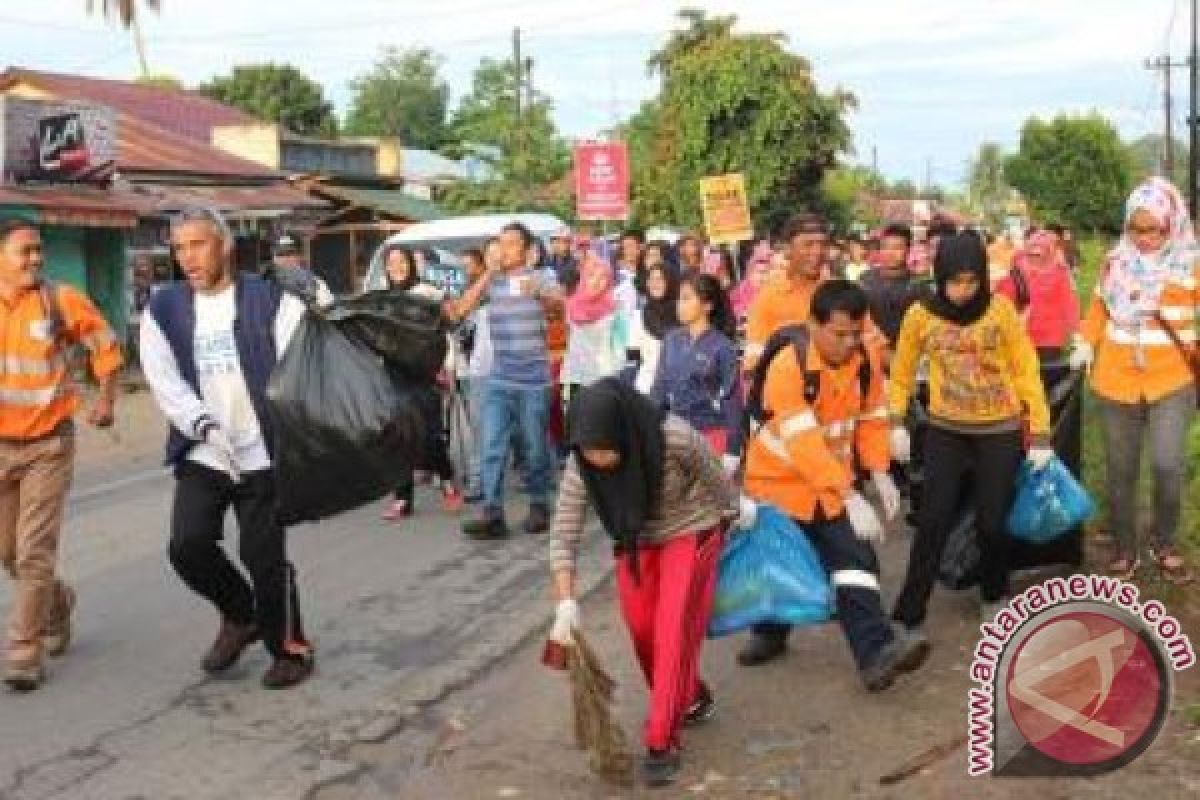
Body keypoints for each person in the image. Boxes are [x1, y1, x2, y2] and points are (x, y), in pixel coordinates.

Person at [140, 207, 313, 689]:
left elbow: (299, 367)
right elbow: (163, 378)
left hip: (262, 453)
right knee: (187, 546)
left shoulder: (271, 301)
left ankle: (291, 648)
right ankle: (241, 614)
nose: (187, 258)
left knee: (265, 559)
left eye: (197, 245)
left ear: (224, 246)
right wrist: (201, 424)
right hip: (204, 451)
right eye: (178, 248)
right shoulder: (165, 308)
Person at [547, 378, 744, 788]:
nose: (597, 460)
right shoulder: (582, 461)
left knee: (672, 632)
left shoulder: (674, 437)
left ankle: (662, 739)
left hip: (691, 530)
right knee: (641, 630)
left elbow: (716, 478)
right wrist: (565, 604)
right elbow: (563, 534)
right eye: (589, 451)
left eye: (605, 449)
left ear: (624, 431)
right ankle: (689, 695)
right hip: (635, 542)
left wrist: (735, 513)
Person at [737, 280, 929, 690]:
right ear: (813, 325)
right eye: (838, 334)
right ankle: (770, 634)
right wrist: (848, 494)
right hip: (780, 483)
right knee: (780, 565)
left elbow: (872, 417)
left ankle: (876, 655)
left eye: (855, 333)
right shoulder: (788, 366)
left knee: (855, 562)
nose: (847, 343)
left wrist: (879, 470)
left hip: (830, 482)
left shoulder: (864, 358)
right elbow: (803, 442)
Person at [888, 232, 1051, 633]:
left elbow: (1025, 369)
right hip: (946, 429)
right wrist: (894, 421)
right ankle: (911, 609)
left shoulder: (1000, 312)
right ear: (939, 275)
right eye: (954, 281)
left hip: (1000, 430)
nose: (963, 291)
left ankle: (994, 594)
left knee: (991, 523)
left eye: (971, 281)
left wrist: (1042, 431)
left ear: (982, 278)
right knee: (933, 520)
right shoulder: (921, 315)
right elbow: (903, 370)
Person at [0, 218, 123, 691]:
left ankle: (23, 649)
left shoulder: (60, 300)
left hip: (48, 446)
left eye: (38, 251)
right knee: (8, 553)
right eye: (24, 251)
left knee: (33, 552)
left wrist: (107, 399)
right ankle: (58, 603)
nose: (35, 259)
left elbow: (104, 344)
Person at [1074, 178, 1198, 583]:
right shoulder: (1115, 263)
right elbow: (1098, 311)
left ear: (1171, 225)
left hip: (1172, 381)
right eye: (1136, 228)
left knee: (1167, 465)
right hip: (1115, 381)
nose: (1144, 238)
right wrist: (1086, 345)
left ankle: (1164, 542)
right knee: (1120, 470)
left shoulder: (1190, 264)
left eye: (1153, 229)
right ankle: (1126, 547)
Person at [452, 223, 564, 539]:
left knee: (534, 447)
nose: (504, 249)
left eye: (512, 244)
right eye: (500, 244)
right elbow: (461, 309)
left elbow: (560, 309)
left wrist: (541, 295)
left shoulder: (540, 278)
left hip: (534, 382)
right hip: (499, 378)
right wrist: (488, 273)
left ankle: (540, 504)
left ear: (527, 249)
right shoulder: (493, 282)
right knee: (491, 446)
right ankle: (492, 513)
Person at [379, 245, 464, 520]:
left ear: (411, 264)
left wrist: (448, 366)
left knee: (428, 434)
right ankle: (402, 498)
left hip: (425, 373)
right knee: (398, 436)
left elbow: (448, 329)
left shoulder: (428, 293)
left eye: (401, 261)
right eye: (391, 262)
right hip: (393, 373)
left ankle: (448, 480)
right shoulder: (382, 298)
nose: (397, 267)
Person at [651, 274, 742, 471]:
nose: (679, 304)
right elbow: (659, 388)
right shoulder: (671, 340)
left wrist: (733, 450)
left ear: (707, 305)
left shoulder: (722, 347)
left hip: (711, 434)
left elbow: (732, 400)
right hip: (676, 433)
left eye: (686, 298)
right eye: (678, 298)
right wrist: (648, 427)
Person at [744, 212, 831, 373]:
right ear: (787, 249)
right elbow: (753, 360)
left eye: (823, 244)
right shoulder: (768, 297)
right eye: (809, 244)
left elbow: (873, 344)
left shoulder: (838, 292)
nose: (818, 252)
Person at [995, 229, 1080, 363]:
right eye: (1032, 253)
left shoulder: (1060, 272)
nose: (1036, 257)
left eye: (1040, 253)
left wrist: (1076, 333)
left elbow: (1069, 304)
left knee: (1046, 375)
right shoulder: (1016, 269)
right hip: (1022, 333)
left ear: (1050, 251)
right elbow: (1003, 299)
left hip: (1050, 339)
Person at [560, 253, 629, 405]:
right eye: (591, 276)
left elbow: (623, 345)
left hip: (604, 378)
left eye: (603, 277)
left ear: (609, 281)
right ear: (584, 278)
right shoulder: (569, 306)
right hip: (573, 376)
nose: (596, 282)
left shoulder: (615, 309)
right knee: (573, 422)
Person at [859, 224, 926, 357]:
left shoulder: (919, 286)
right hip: (869, 356)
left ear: (908, 250)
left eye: (897, 248)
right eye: (885, 247)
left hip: (906, 357)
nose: (890, 253)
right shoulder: (865, 280)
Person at [628, 263, 679, 395]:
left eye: (660, 279)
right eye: (651, 279)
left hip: (680, 388)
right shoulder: (639, 316)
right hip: (648, 386)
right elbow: (633, 355)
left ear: (670, 282)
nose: (655, 284)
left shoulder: (684, 313)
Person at [266, 233, 334, 308]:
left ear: (299, 256)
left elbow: (327, 309)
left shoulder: (316, 282)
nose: (285, 259)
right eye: (280, 254)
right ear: (273, 258)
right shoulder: (263, 284)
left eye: (290, 253)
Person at [729, 242, 774, 324]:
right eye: (760, 272)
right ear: (750, 273)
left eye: (768, 272)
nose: (764, 278)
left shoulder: (775, 291)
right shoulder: (739, 292)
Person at [546, 227, 579, 293]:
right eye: (554, 241)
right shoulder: (549, 259)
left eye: (560, 241)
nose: (556, 244)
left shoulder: (575, 262)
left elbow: (566, 284)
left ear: (568, 243)